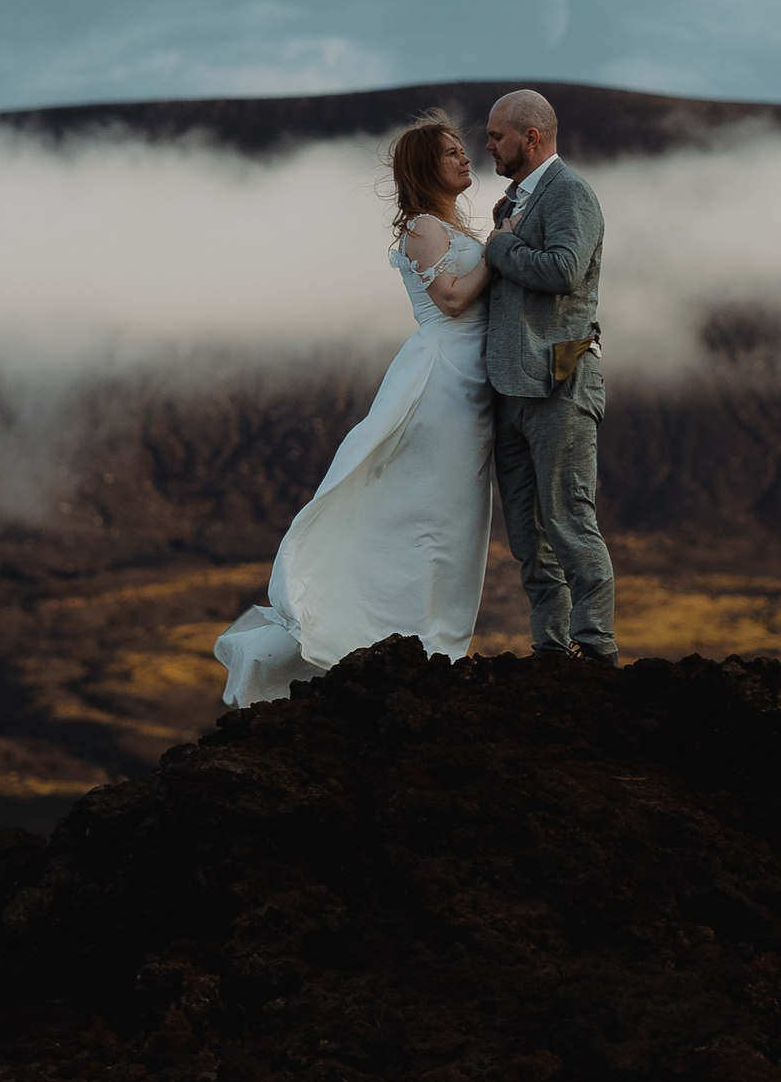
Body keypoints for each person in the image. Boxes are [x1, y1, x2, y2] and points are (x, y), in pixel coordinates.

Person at [211, 110, 496, 705]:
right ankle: (398, 636)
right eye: (451, 152)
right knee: (428, 514)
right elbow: (448, 299)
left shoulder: (451, 227)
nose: (465, 158)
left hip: (473, 384)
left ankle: (435, 641)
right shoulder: (422, 226)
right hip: (441, 381)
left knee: (457, 517)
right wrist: (503, 253)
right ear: (425, 167)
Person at [482, 88, 616, 663]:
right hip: (509, 390)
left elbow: (565, 269)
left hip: (561, 382)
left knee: (568, 519)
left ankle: (594, 644)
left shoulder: (571, 194)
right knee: (526, 537)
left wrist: (499, 249)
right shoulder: (508, 203)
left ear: (530, 138)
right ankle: (551, 649)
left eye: (495, 136)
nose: (486, 145)